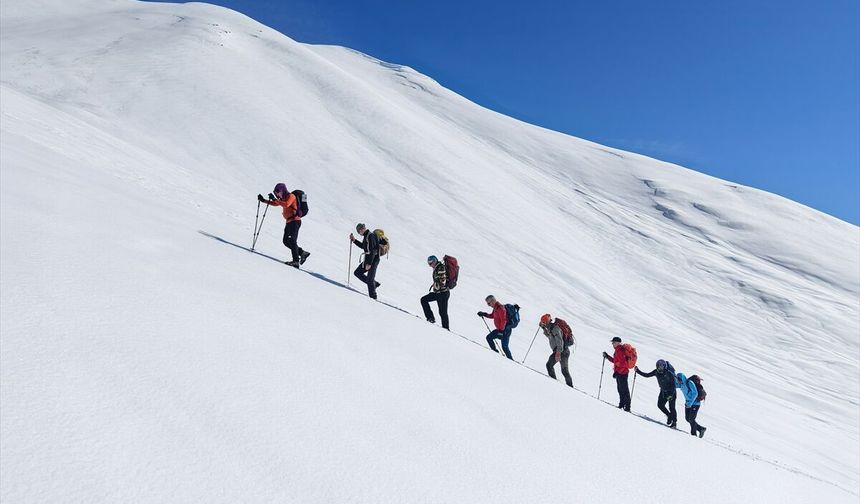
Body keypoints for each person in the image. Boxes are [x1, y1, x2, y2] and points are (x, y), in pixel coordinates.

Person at [257, 183, 309, 268]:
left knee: (292, 240)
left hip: (295, 221)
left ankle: (296, 261)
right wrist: (264, 200)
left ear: (283, 190)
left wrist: (275, 199)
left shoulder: (291, 196)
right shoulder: (282, 199)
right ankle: (302, 253)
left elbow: (286, 204)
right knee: (286, 241)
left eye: (278, 192)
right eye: (276, 192)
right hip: (289, 222)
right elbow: (276, 204)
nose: (277, 194)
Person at [635, 360, 677, 427]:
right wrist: (638, 371)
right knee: (660, 405)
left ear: (664, 367)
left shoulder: (668, 373)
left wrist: (671, 395)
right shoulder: (656, 372)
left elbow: (673, 385)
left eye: (661, 367)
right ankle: (669, 416)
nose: (659, 368)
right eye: (658, 366)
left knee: (672, 407)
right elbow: (647, 375)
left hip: (671, 392)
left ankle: (674, 423)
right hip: (663, 391)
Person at [539, 314, 572, 387]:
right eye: (542, 322)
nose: (542, 323)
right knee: (551, 366)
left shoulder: (555, 328)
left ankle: (570, 387)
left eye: (543, 322)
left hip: (562, 351)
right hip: (560, 351)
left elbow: (560, 341)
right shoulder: (551, 329)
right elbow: (550, 337)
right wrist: (543, 329)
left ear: (547, 322)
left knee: (563, 370)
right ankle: (554, 383)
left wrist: (558, 353)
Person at [350, 223, 381, 299]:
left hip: (373, 260)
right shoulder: (366, 236)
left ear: (362, 229)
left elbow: (373, 251)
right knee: (357, 272)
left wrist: (369, 264)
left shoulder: (371, 236)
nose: (360, 232)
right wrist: (354, 240)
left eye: (359, 231)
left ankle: (373, 298)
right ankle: (374, 284)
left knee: (370, 280)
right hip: (368, 259)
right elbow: (364, 247)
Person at [478, 295, 513, 360]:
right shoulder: (496, 308)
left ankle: (511, 361)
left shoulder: (500, 308)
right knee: (489, 337)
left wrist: (501, 332)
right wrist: (484, 314)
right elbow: (492, 316)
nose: (488, 305)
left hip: (505, 331)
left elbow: (504, 320)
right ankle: (495, 354)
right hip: (501, 330)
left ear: (493, 301)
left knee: (505, 347)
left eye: (489, 303)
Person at [420, 256, 449, 329]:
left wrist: (436, 287)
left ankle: (446, 329)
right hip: (438, 293)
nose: (430, 265)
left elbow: (443, 281)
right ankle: (430, 318)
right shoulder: (437, 267)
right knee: (423, 300)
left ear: (435, 261)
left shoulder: (441, 268)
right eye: (429, 263)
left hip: (443, 293)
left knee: (443, 312)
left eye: (431, 263)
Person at [603, 337, 631, 411]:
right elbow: (615, 361)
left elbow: (624, 364)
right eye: (612, 342)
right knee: (620, 390)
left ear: (618, 343)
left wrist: (617, 372)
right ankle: (621, 405)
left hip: (623, 373)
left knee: (624, 391)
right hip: (619, 373)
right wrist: (607, 356)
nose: (612, 344)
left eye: (613, 342)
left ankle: (627, 407)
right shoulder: (617, 351)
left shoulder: (621, 351)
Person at [676, 372, 707, 438]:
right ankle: (701, 429)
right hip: (688, 403)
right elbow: (675, 385)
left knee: (691, 419)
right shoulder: (681, 384)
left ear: (682, 378)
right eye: (677, 379)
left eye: (679, 379)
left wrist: (690, 403)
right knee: (687, 419)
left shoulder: (689, 383)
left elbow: (695, 393)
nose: (678, 381)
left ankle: (693, 435)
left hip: (695, 404)